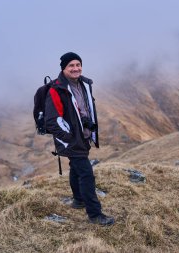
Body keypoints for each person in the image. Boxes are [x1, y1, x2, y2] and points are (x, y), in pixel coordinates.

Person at [45, 52, 114, 226]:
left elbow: (81, 108)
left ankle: (78, 200)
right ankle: (95, 214)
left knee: (76, 168)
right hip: (71, 140)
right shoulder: (56, 89)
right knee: (86, 174)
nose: (76, 68)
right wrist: (69, 138)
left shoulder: (84, 83)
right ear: (64, 68)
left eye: (78, 64)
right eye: (71, 66)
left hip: (83, 135)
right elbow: (52, 121)